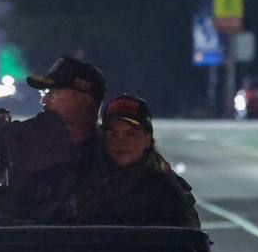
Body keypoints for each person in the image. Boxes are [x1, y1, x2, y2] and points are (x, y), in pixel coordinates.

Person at [75, 94, 200, 228]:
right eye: (112, 134)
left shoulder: (166, 189)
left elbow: (188, 238)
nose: (121, 142)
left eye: (131, 134)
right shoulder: (83, 175)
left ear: (147, 139)